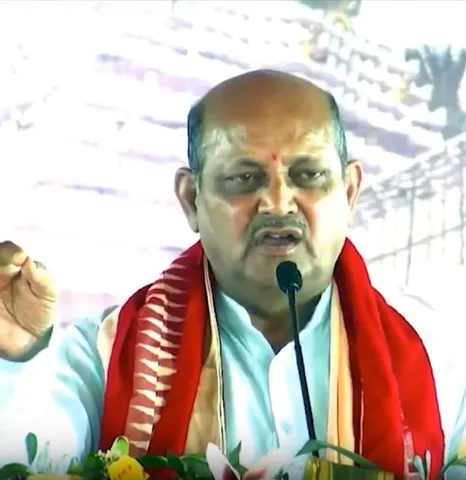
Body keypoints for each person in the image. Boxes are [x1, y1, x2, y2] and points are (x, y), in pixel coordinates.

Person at [1, 70, 466, 479]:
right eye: (244, 178)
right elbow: (27, 456)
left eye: (308, 175)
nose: (279, 203)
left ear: (348, 193)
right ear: (191, 199)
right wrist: (14, 359)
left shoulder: (438, 360)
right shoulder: (108, 354)